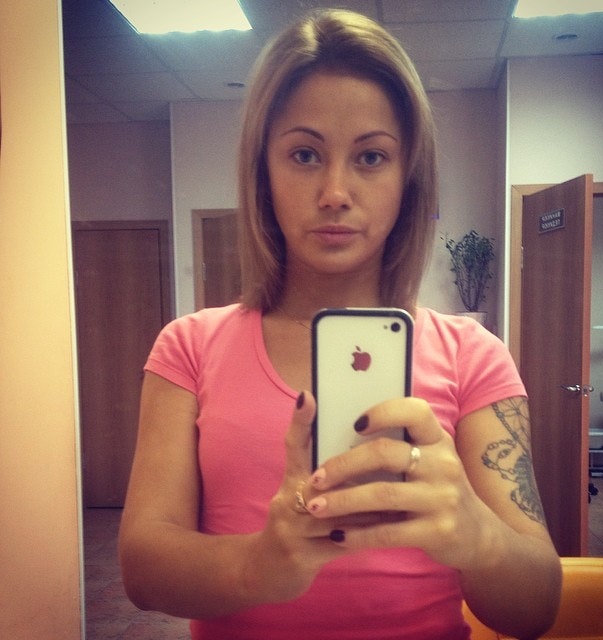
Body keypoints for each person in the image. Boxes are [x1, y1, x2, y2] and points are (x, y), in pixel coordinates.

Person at [119, 9, 562, 640]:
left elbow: (537, 606)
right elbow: (143, 569)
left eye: (371, 157)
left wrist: (476, 533)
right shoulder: (188, 348)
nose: (334, 191)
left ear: (408, 178)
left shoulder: (474, 356)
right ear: (263, 172)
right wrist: (260, 563)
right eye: (304, 154)